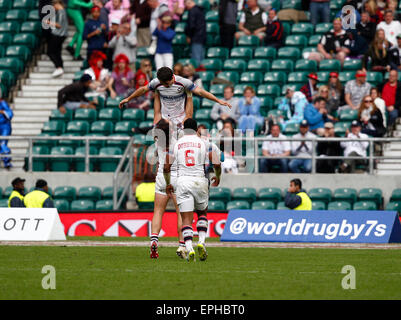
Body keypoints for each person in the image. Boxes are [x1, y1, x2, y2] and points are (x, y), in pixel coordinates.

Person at [164, 118, 222, 262]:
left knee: (186, 219)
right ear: (197, 129)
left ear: (184, 129)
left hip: (182, 181)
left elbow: (166, 167)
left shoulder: (176, 145)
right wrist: (218, 176)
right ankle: (201, 242)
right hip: (200, 180)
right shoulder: (204, 142)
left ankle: (189, 249)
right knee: (202, 213)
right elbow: (216, 162)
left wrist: (168, 183)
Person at [119, 66, 232, 135]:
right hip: (164, 119)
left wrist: (218, 100)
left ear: (173, 77)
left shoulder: (183, 82)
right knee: (162, 149)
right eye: (165, 84)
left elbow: (201, 92)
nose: (169, 85)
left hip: (180, 119)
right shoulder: (156, 83)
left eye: (170, 82)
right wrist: (128, 99)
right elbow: (143, 90)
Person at [149, 118, 186, 259]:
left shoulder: (158, 141)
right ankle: (182, 245)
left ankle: (154, 241)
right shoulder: (177, 141)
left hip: (161, 178)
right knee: (181, 213)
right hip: (177, 177)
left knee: (158, 211)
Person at [45, 0, 68, 78]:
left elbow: (59, 25)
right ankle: (60, 67)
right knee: (57, 52)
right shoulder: (62, 11)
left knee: (50, 52)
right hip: (60, 34)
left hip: (58, 34)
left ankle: (59, 67)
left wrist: (49, 22)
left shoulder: (61, 12)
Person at [184, 0, 206, 66]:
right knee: (201, 59)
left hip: (195, 38)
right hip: (202, 38)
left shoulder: (192, 11)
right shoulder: (200, 10)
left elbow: (191, 26)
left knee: (196, 60)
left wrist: (189, 36)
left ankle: (196, 75)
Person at [0, 91, 13, 170]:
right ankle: (5, 160)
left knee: (2, 143)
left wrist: (2, 112)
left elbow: (10, 113)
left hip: (5, 126)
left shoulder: (3, 103)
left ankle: (7, 161)